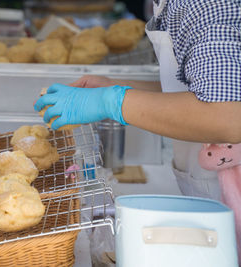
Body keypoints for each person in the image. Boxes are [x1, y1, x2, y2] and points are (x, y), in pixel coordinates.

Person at [35, 0, 241, 257]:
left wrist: (113, 100)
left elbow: (227, 115)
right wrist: (116, 88)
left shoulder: (205, 4)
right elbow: (194, 87)